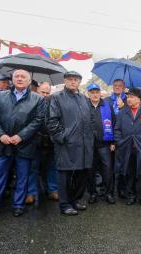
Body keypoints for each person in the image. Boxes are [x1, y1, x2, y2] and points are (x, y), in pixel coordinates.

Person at [0, 69, 44, 216]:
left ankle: (18, 205)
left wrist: (21, 136)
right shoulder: (0, 96)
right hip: (2, 144)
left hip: (25, 144)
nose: (19, 78)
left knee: (22, 177)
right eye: (16, 76)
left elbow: (38, 120)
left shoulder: (38, 99)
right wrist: (0, 135)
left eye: (23, 76)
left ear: (29, 80)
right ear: (12, 80)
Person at [47, 71, 94, 216]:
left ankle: (75, 200)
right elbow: (51, 121)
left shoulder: (84, 98)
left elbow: (90, 118)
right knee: (65, 175)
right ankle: (65, 204)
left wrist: (91, 136)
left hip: (84, 143)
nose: (73, 82)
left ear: (79, 82)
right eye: (70, 79)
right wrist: (63, 137)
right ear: (65, 81)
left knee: (82, 173)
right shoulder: (56, 98)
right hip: (66, 143)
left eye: (76, 79)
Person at [115, 88, 141, 207]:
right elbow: (117, 130)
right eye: (128, 97)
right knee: (129, 173)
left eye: (131, 97)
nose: (129, 99)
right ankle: (131, 195)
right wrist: (120, 142)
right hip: (127, 148)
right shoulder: (122, 112)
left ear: (139, 99)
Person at [26, 81, 59, 204]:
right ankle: (31, 193)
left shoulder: (54, 103)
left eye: (47, 92)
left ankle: (52, 190)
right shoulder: (29, 103)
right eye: (42, 92)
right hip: (34, 140)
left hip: (50, 141)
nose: (44, 95)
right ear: (37, 90)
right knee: (33, 167)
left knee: (52, 166)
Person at [87, 83, 115, 204]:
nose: (95, 94)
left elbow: (114, 123)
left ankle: (108, 193)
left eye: (97, 92)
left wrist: (113, 142)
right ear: (89, 94)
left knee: (107, 170)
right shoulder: (84, 106)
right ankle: (92, 193)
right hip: (89, 145)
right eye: (92, 92)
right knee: (90, 171)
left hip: (104, 144)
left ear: (99, 93)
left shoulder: (107, 105)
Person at [104, 79, 127, 199]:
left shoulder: (128, 100)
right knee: (110, 165)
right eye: (115, 85)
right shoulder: (107, 100)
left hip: (124, 138)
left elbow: (131, 118)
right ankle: (109, 190)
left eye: (120, 86)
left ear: (124, 87)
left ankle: (121, 189)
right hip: (109, 137)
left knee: (123, 165)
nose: (117, 87)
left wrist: (123, 108)